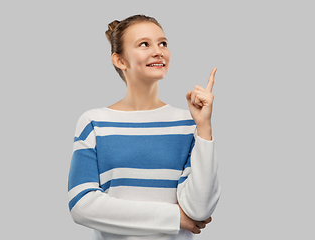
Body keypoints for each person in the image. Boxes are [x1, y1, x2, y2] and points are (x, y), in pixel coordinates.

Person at [68, 14, 221, 240]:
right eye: (144, 44)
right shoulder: (94, 122)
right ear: (120, 60)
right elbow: (82, 204)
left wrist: (204, 127)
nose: (159, 50)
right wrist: (174, 217)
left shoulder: (188, 124)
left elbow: (199, 209)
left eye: (163, 43)